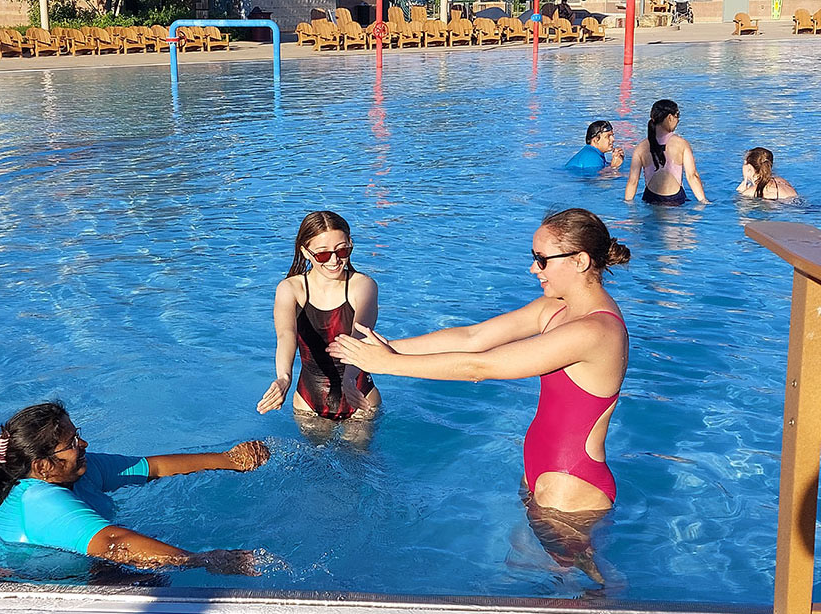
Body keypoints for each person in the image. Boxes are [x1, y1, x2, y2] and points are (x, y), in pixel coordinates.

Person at [328, 208, 630, 513]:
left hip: (571, 483)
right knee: (523, 562)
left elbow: (481, 366)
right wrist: (388, 347)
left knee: (562, 562)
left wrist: (387, 364)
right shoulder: (555, 309)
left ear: (580, 261)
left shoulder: (594, 331)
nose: (533, 269)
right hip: (546, 472)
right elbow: (472, 337)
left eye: (542, 260)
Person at [0, 401, 269, 575]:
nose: (83, 445)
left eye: (77, 435)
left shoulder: (81, 470)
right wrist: (205, 560)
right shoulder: (39, 500)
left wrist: (229, 460)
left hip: (78, 566)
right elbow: (112, 543)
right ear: (42, 466)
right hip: (27, 586)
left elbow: (152, 467)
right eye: (72, 443)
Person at [257, 211, 381, 446]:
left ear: (351, 245)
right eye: (323, 254)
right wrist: (284, 378)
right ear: (305, 251)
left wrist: (350, 377)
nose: (334, 260)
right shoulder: (290, 289)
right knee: (316, 471)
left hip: (359, 397)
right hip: (308, 402)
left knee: (357, 471)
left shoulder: (363, 285)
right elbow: (286, 335)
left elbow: (360, 332)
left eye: (342, 251)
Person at [625, 99, 707, 205]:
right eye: (678, 116)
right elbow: (692, 176)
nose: (678, 120)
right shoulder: (681, 144)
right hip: (676, 199)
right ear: (669, 117)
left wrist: (628, 205)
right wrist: (703, 201)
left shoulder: (641, 147)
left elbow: (633, 181)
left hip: (650, 198)